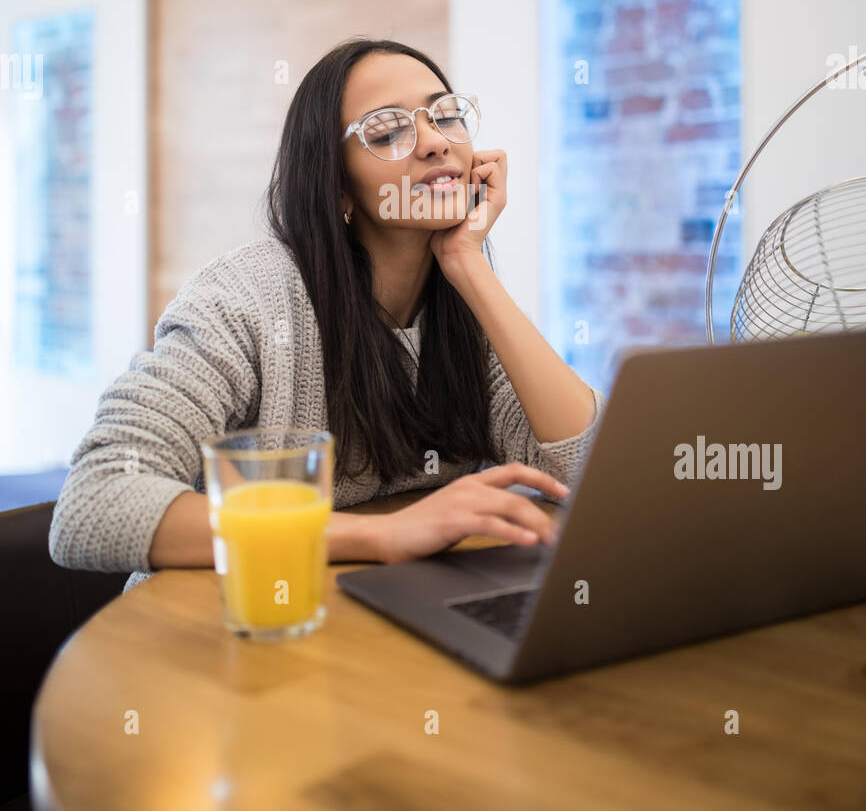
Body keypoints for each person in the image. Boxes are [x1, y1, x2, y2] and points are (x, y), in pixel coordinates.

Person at [49, 38, 605, 594]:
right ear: (337, 185)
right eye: (387, 132)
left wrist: (468, 264)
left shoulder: (463, 301)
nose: (436, 142)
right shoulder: (244, 298)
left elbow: (591, 470)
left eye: (447, 116)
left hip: (379, 612)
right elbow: (94, 502)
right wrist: (382, 538)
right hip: (222, 622)